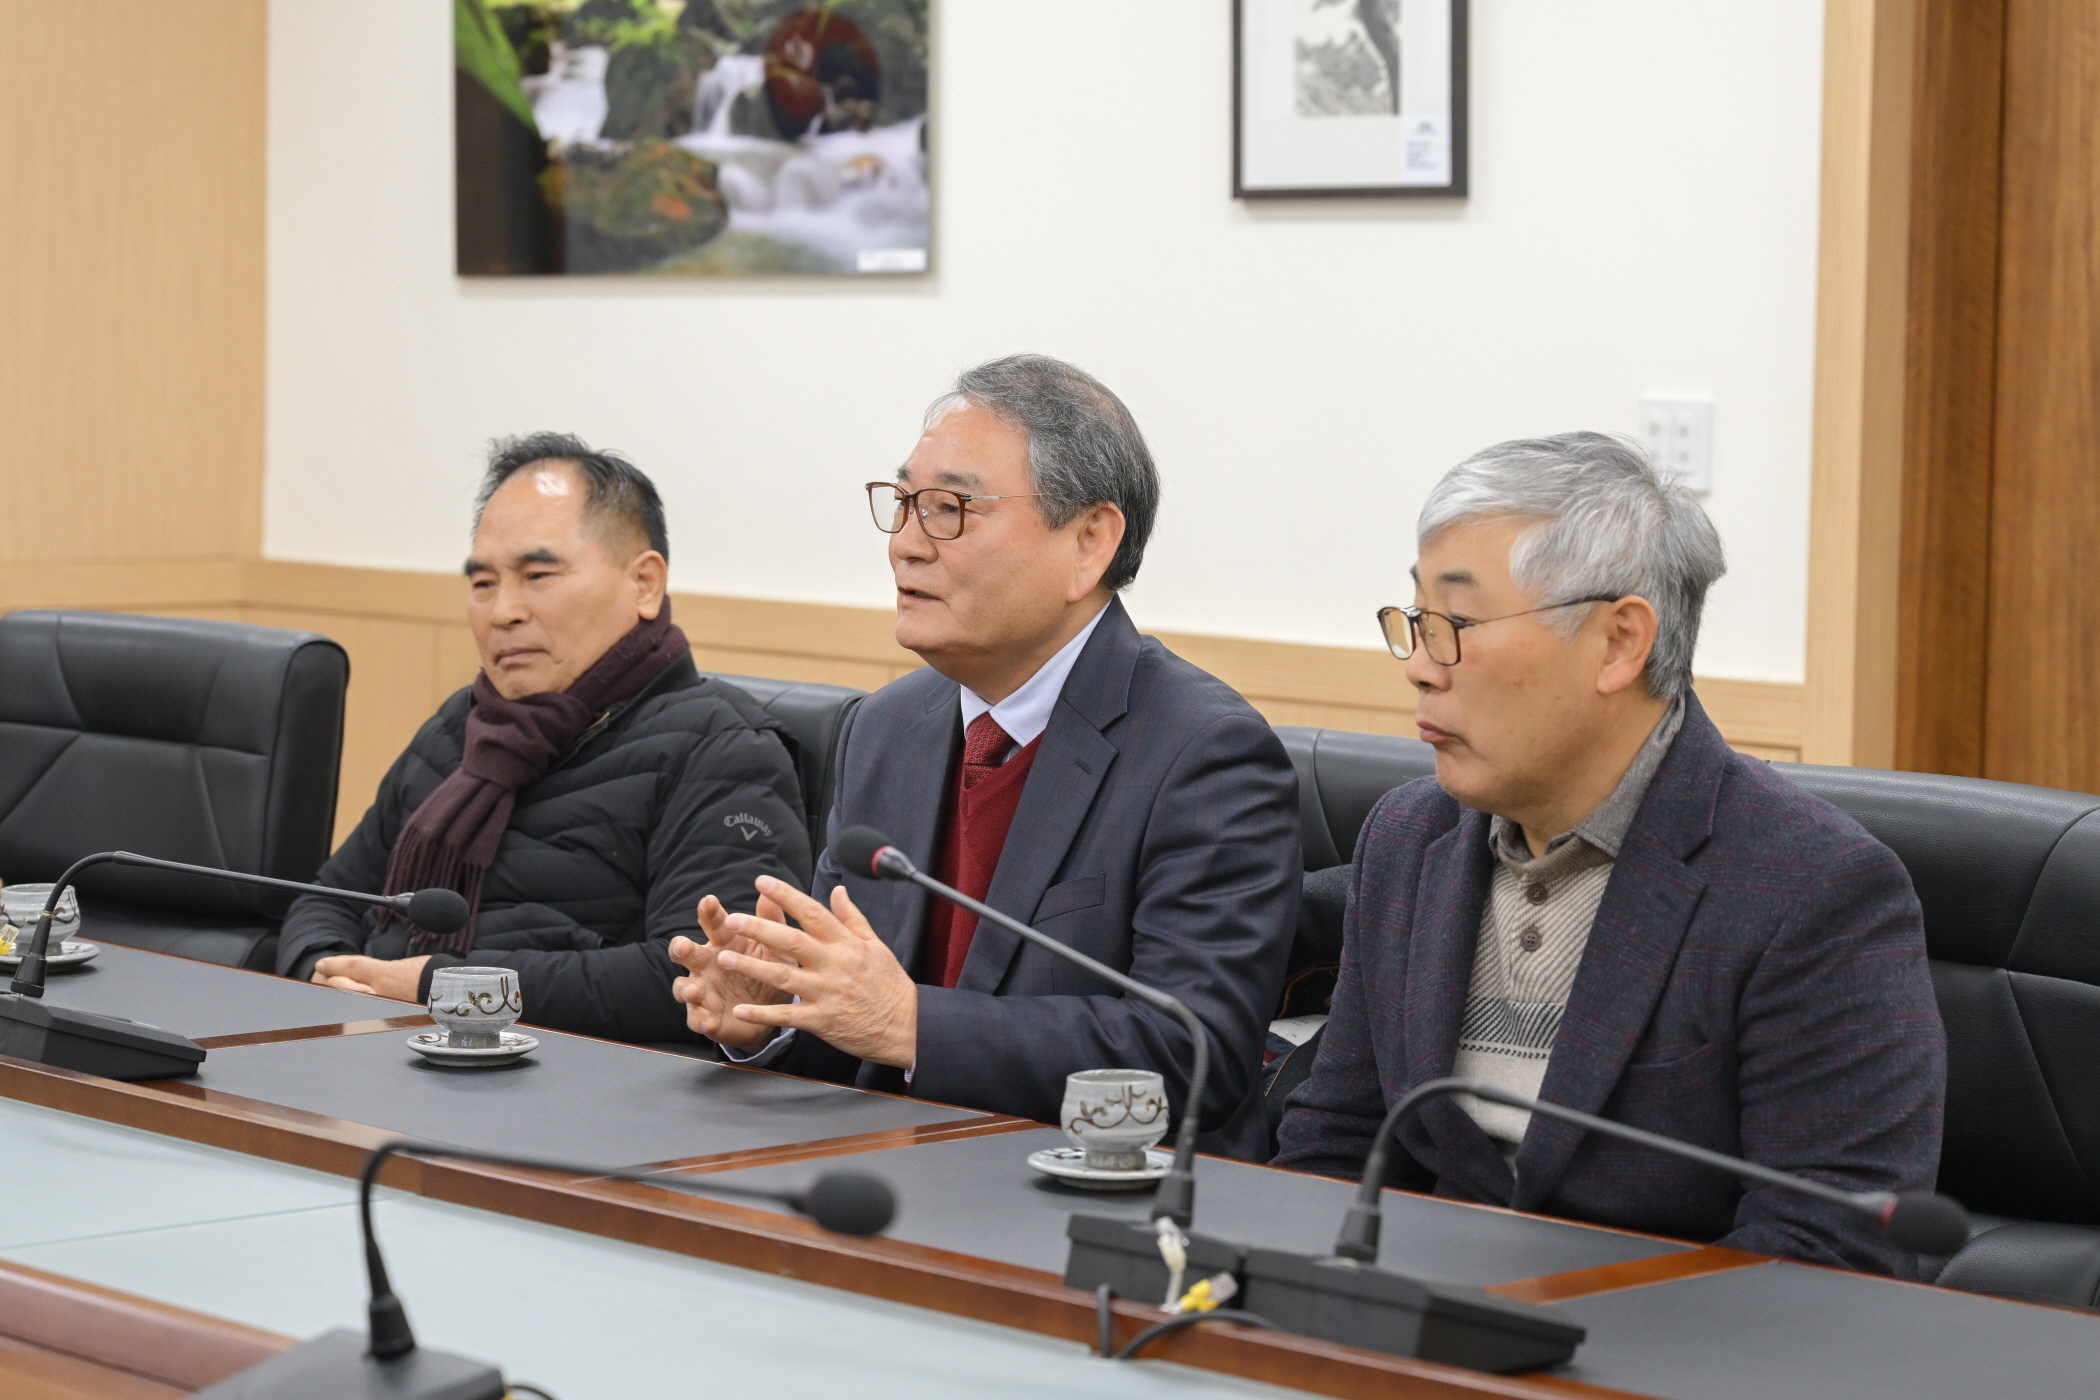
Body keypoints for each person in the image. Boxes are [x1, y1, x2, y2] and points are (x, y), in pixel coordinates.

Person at [1273, 432, 1946, 1275]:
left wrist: (1535, 1325)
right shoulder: (1409, 838)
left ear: (1620, 642)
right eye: (1414, 622)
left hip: (1664, 1338)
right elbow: (1336, 1144)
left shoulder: (1813, 890)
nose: (1419, 667)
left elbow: (1829, 1250)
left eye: (1455, 625)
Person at [668, 355, 1300, 1156]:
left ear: (1089, 543)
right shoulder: (886, 728)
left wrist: (914, 1023)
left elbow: (1191, 1054)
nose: (905, 546)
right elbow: (860, 1035)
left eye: (950, 509)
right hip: (884, 1175)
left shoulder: (1205, 753)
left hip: (1086, 1190)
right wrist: (773, 1016)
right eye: (903, 504)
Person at [277, 434, 811, 1043]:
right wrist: (324, 979)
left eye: (537, 575)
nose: (503, 611)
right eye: (483, 584)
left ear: (644, 584)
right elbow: (325, 899)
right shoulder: (460, 729)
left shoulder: (723, 747)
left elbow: (699, 979)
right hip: (379, 1048)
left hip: (565, 1080)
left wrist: (444, 989)